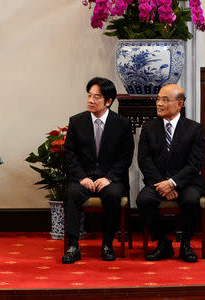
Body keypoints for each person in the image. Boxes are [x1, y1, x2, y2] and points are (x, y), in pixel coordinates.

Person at [62, 77, 134, 263]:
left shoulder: (122, 124)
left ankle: (108, 244)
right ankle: (73, 245)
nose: (91, 101)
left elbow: (125, 158)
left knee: (112, 196)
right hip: (84, 178)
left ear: (108, 101)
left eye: (97, 97)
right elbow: (69, 153)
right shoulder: (77, 121)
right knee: (72, 194)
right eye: (89, 96)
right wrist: (81, 177)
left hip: (110, 179)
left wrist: (109, 178)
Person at [136, 84, 204, 263]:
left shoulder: (194, 129)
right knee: (144, 200)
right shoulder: (148, 127)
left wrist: (173, 183)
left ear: (180, 104)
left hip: (186, 182)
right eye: (158, 99)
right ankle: (163, 243)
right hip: (157, 181)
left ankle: (186, 245)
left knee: (191, 200)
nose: (159, 103)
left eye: (165, 100)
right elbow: (144, 160)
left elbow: (194, 163)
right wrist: (162, 185)